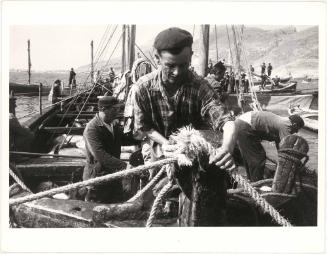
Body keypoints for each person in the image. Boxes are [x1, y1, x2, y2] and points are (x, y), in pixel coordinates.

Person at [133, 27, 237, 178]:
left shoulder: (201, 87)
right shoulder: (142, 89)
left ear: (191, 56)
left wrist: (227, 147)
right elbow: (143, 127)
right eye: (170, 66)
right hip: (159, 151)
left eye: (183, 65)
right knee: (157, 191)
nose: (177, 72)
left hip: (194, 155)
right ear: (157, 58)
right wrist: (164, 143)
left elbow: (226, 121)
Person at [234, 111, 304, 182]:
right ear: (294, 124)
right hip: (245, 126)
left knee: (249, 155)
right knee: (258, 157)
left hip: (243, 122)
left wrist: (281, 158)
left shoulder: (281, 122)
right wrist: (295, 162)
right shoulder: (286, 125)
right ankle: (257, 183)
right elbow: (286, 148)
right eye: (298, 128)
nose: (297, 132)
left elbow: (280, 145)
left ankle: (251, 179)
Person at [83, 96, 127, 202]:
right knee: (96, 212)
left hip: (114, 176)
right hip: (98, 179)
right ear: (103, 109)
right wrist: (125, 166)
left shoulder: (113, 124)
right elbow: (100, 155)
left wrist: (141, 136)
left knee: (117, 210)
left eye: (119, 109)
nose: (118, 112)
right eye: (114, 109)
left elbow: (124, 139)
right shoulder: (92, 129)